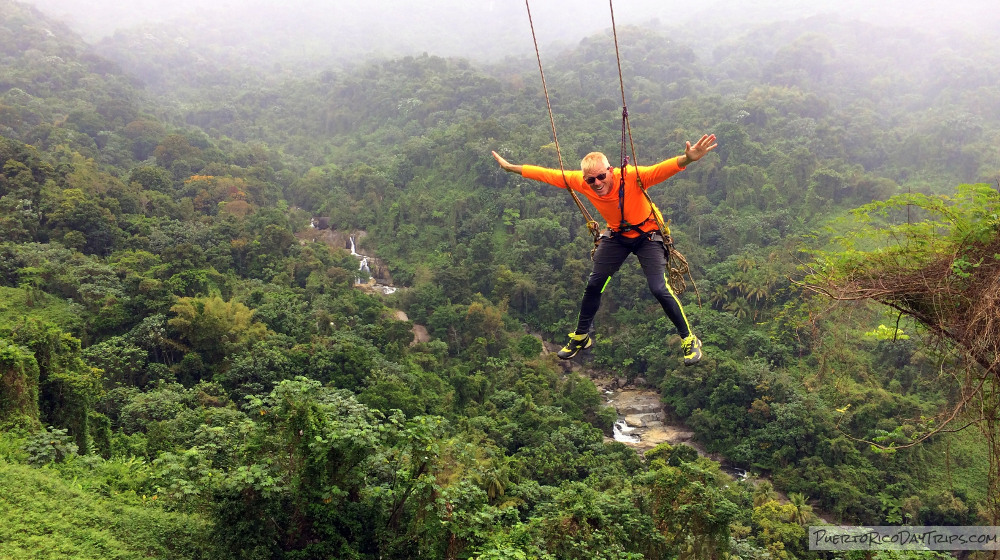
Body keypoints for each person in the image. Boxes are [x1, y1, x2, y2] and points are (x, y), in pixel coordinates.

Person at [491, 134, 717, 365]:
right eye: (591, 180)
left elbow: (663, 169)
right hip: (617, 235)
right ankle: (581, 336)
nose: (597, 183)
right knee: (595, 283)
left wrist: (688, 159)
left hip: (648, 235)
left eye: (601, 176)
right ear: (584, 179)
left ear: (611, 170)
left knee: (658, 288)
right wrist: (511, 168)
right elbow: (547, 174)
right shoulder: (580, 181)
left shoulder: (631, 177)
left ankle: (689, 339)